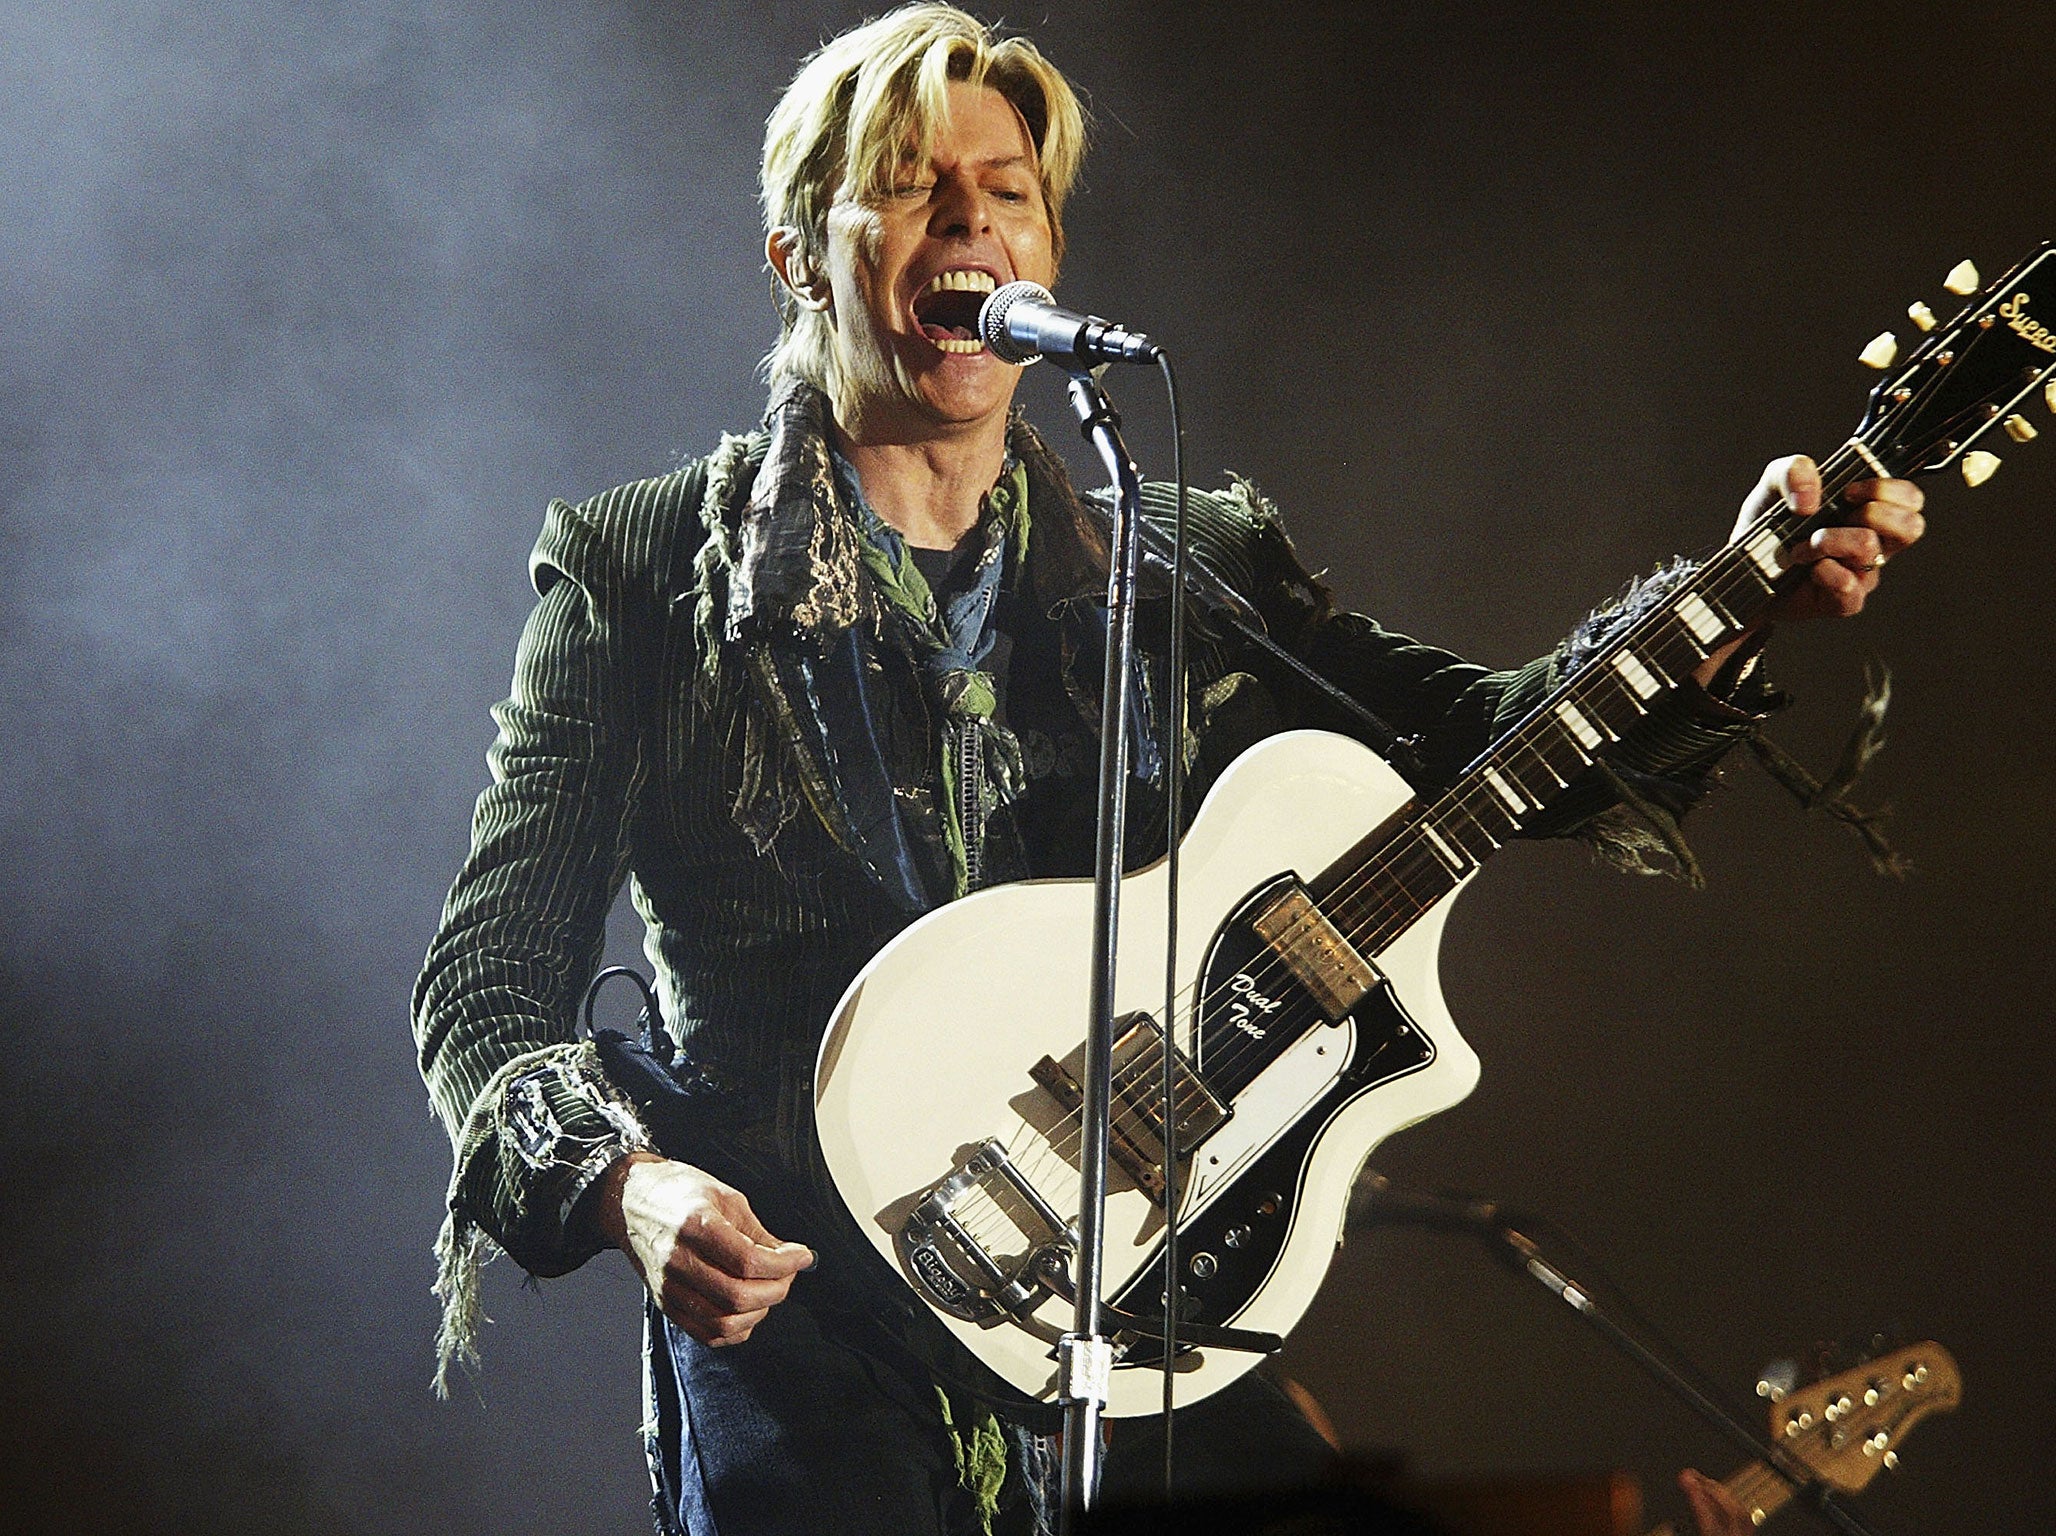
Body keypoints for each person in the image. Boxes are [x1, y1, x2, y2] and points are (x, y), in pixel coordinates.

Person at [411, 8, 1925, 1534]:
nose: (970, 219)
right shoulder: (649, 575)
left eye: (1006, 189)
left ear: (1050, 250)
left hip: (1129, 1299)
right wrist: (631, 1189)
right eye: (913, 181)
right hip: (807, 1317)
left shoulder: (1176, 557)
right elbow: (486, 981)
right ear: (801, 254)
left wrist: (1731, 605)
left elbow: (1495, 744)